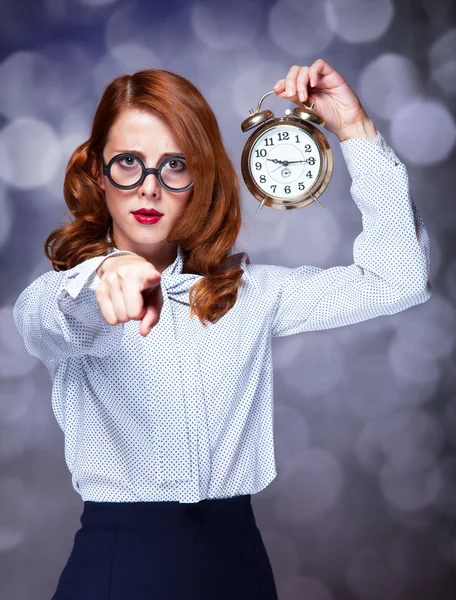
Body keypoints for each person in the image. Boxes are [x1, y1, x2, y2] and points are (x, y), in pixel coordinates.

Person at [13, 59, 431, 600]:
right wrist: (101, 276)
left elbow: (398, 278)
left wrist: (355, 130)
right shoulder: (72, 298)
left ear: (200, 176)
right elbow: (41, 319)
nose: (149, 188)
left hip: (237, 564)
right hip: (119, 565)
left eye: (174, 165)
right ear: (96, 170)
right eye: (127, 163)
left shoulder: (251, 296)